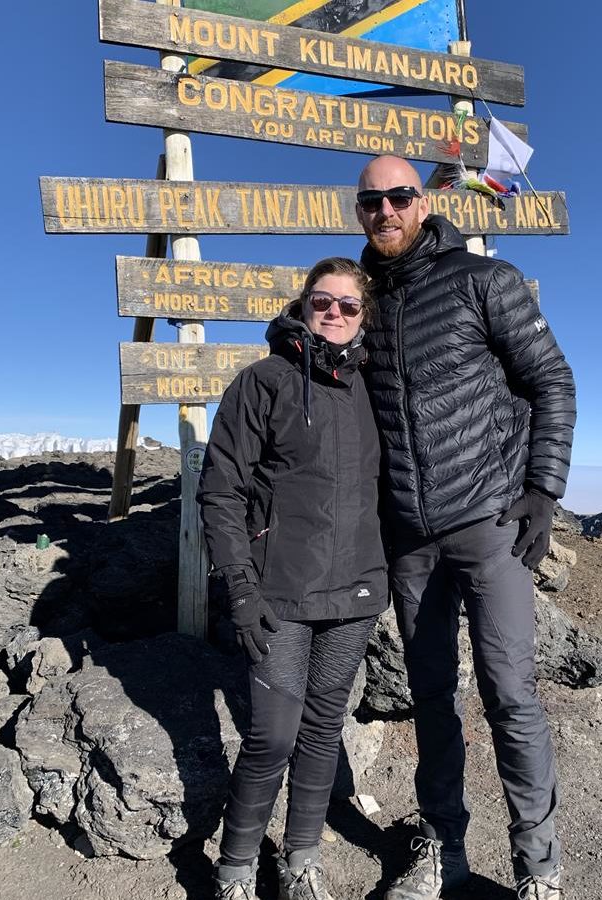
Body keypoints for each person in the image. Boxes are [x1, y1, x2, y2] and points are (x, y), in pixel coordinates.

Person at [355, 156, 576, 900]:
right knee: (430, 698)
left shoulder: (485, 280)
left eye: (398, 197)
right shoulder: (362, 301)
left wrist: (543, 489)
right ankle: (442, 849)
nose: (384, 211)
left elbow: (552, 381)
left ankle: (538, 868)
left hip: (489, 526)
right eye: (371, 202)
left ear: (423, 204)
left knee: (510, 693)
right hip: (410, 540)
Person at [198, 257, 387, 900]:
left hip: (357, 589)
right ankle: (236, 868)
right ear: (302, 305)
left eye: (348, 305)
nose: (333, 313)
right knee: (272, 734)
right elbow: (220, 493)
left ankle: (300, 859)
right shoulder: (262, 382)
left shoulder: (377, 389)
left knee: (322, 729)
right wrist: (241, 589)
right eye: (321, 300)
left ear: (365, 316)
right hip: (278, 594)